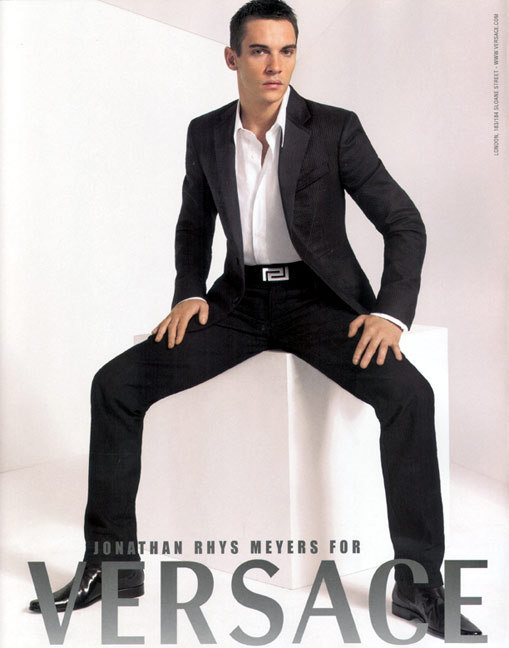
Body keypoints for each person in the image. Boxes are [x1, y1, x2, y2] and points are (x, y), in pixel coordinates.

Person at [29, 0, 481, 638]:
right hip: (238, 304)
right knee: (115, 386)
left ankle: (419, 587)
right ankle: (113, 566)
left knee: (410, 395)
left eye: (287, 51)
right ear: (231, 57)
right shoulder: (206, 133)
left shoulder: (335, 129)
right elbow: (193, 225)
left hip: (320, 304)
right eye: (261, 50)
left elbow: (403, 222)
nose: (276, 65)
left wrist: (391, 313)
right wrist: (189, 293)